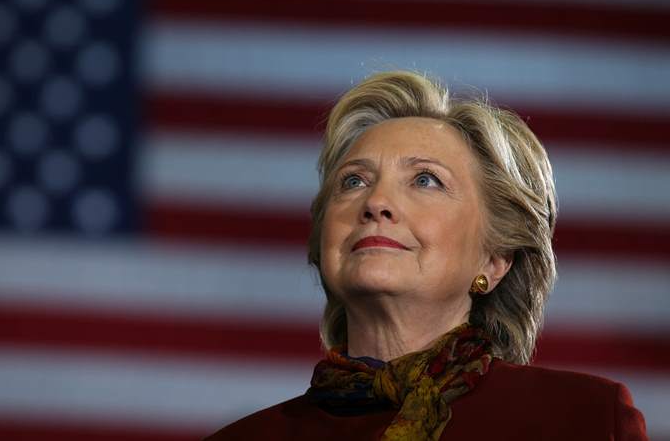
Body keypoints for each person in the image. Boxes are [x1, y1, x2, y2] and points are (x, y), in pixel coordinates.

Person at [205, 71, 648, 441]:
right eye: (353, 182)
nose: (376, 202)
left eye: (425, 180)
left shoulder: (584, 420)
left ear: (494, 260)